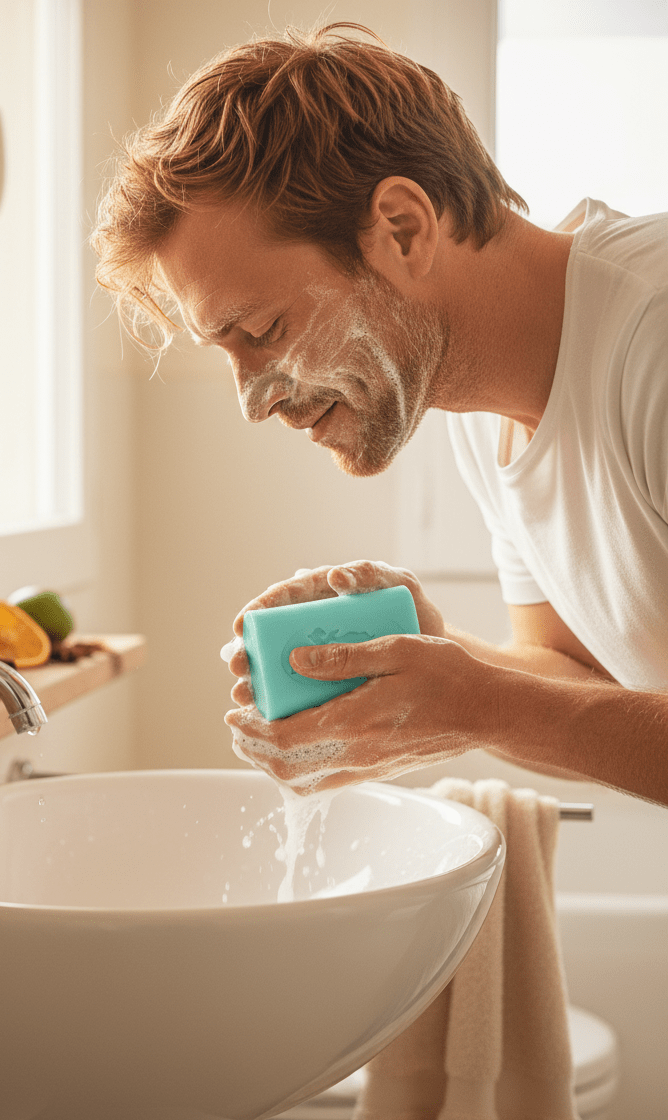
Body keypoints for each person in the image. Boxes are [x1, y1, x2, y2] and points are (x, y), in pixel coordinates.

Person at [92, 23, 668, 801]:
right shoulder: (475, 404)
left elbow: (544, 709)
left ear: (403, 228)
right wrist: (428, 658)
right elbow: (584, 682)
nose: (252, 402)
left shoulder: (654, 347)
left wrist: (482, 703)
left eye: (264, 331)